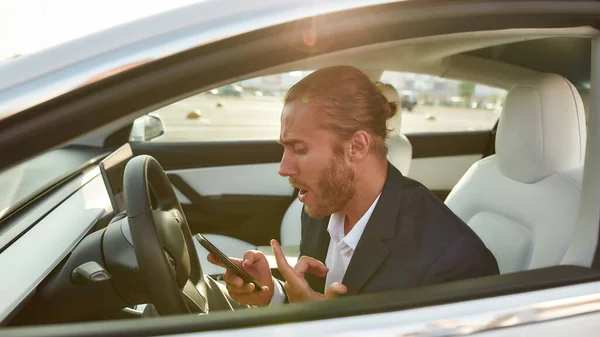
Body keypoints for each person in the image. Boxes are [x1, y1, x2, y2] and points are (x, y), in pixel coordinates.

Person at [207, 65, 499, 306]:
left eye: (299, 148)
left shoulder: (454, 261)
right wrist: (273, 295)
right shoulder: (321, 207)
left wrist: (323, 326)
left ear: (357, 146)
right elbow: (316, 301)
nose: (283, 168)